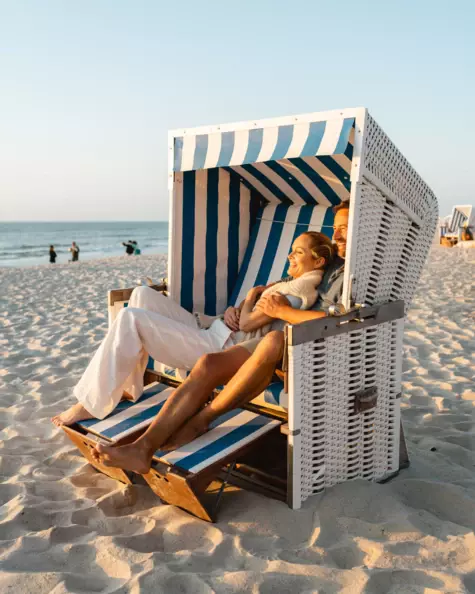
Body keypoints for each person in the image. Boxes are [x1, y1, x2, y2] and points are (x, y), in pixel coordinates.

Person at [89, 203, 350, 475]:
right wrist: (242, 306)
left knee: (272, 340)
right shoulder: (331, 263)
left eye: (344, 229)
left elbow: (342, 321)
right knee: (207, 364)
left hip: (302, 349)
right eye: (336, 229)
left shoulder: (349, 275)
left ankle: (201, 420)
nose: (337, 236)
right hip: (271, 338)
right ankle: (142, 448)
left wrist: (280, 309)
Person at [51, 231, 335, 428]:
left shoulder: (298, 290)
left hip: (221, 347)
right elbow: (248, 319)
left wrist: (248, 298)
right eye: (292, 250)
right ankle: (128, 388)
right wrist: (232, 310)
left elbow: (249, 324)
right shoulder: (291, 284)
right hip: (217, 330)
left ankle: (91, 403)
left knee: (130, 319)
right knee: (141, 294)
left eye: (298, 252)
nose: (290, 255)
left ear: (318, 261)